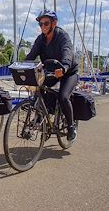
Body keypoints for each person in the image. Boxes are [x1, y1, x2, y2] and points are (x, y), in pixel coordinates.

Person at [25, 10, 79, 141]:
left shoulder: (62, 36)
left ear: (54, 23)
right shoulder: (40, 39)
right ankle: (40, 119)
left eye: (46, 23)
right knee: (39, 90)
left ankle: (71, 126)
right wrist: (19, 66)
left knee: (63, 96)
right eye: (41, 24)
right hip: (51, 72)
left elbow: (67, 52)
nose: (43, 27)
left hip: (68, 72)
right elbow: (31, 56)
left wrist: (65, 67)